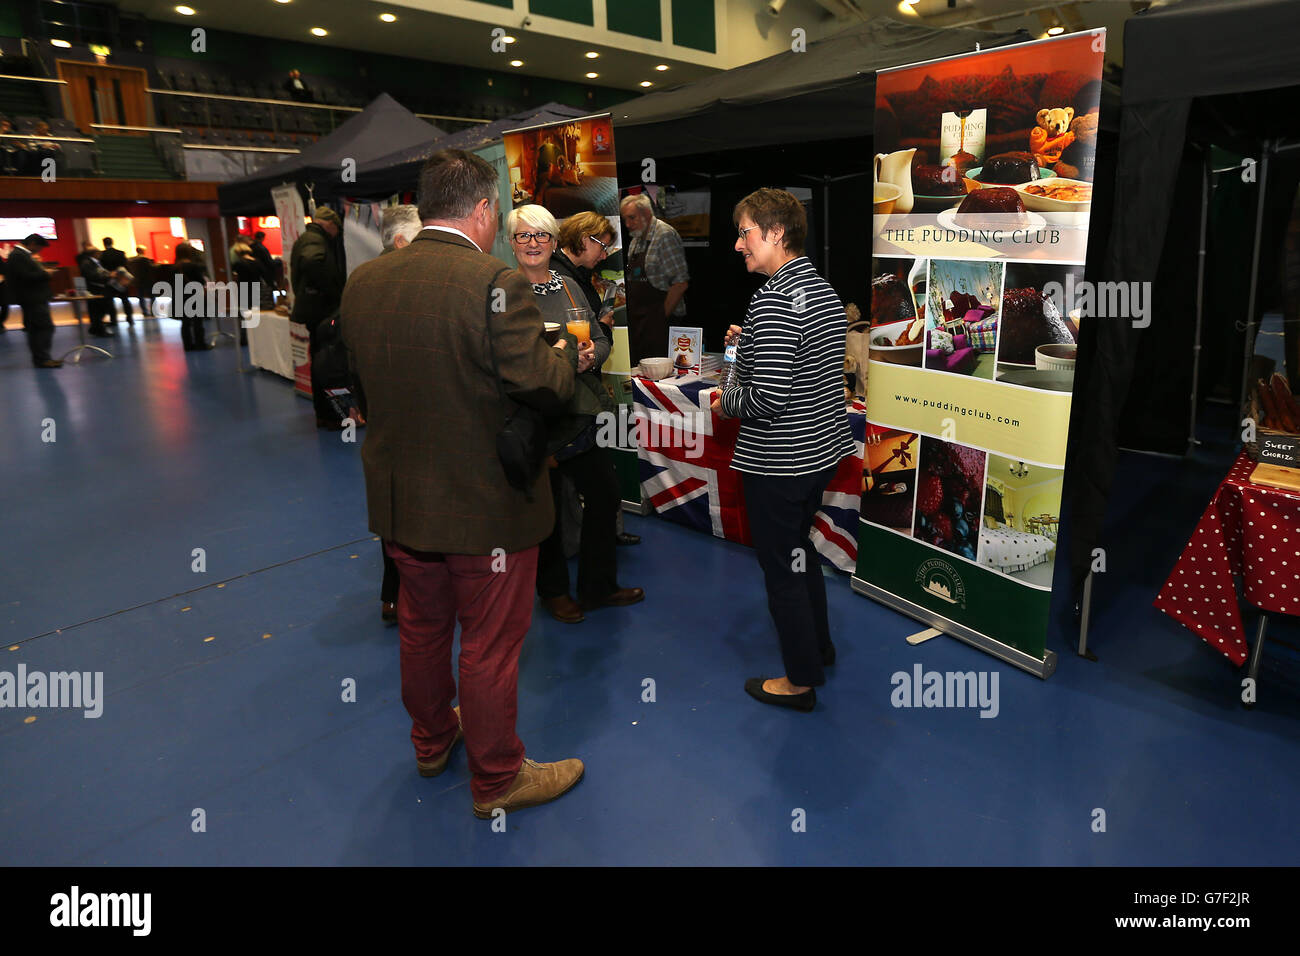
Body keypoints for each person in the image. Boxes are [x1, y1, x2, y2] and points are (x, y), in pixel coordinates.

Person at [340, 148, 585, 818]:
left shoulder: (364, 282)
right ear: (484, 210)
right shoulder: (495, 283)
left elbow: (360, 387)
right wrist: (564, 359)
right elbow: (539, 384)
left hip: (401, 501)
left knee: (422, 629)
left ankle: (431, 740)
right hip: (487, 507)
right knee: (489, 644)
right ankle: (499, 777)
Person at [711, 188, 855, 713]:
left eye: (745, 231)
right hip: (818, 454)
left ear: (775, 233)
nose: (737, 244)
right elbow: (800, 365)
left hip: (779, 460)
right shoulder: (817, 289)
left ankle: (799, 680)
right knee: (801, 552)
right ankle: (819, 647)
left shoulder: (774, 298)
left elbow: (765, 398)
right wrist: (749, 342)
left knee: (782, 569)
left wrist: (723, 402)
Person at [509, 204, 643, 624]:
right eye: (523, 236)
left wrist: (589, 358)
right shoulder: (503, 291)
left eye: (541, 236)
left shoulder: (567, 286)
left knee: (603, 496)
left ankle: (598, 587)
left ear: (553, 241)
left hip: (577, 412)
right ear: (512, 243)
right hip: (533, 416)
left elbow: (600, 337)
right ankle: (553, 593)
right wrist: (564, 360)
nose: (533, 244)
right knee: (545, 509)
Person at [553, 211, 640, 546]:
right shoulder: (562, 279)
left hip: (582, 386)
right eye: (602, 246)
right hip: (574, 392)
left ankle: (596, 536)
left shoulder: (576, 274)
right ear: (584, 239)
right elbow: (578, 340)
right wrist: (602, 329)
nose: (605, 255)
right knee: (583, 474)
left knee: (589, 473)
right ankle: (584, 543)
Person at [373, 203, 423, 624]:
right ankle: (409, 593)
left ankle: (394, 594)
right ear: (403, 240)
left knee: (394, 504)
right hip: (413, 410)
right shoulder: (404, 282)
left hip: (386, 415)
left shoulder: (366, 279)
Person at [289, 206, 347, 428]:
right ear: (330, 225)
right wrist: (332, 291)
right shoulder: (315, 240)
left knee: (320, 361)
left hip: (314, 311)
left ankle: (326, 413)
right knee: (329, 363)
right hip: (323, 312)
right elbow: (313, 262)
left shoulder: (306, 238)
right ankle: (333, 415)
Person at [620, 192, 689, 364]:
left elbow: (680, 283)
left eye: (632, 218)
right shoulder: (636, 238)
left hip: (661, 323)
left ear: (647, 214)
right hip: (640, 321)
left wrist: (659, 319)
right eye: (625, 219)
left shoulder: (664, 235)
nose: (627, 224)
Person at [6, 234, 60, 367]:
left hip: (32, 298)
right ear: (32, 243)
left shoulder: (20, 255)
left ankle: (42, 358)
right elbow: (25, 277)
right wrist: (46, 273)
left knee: (37, 329)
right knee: (43, 328)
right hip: (33, 298)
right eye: (39, 247)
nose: (39, 251)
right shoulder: (18, 255)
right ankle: (43, 359)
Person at [172, 242, 212, 351]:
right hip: (195, 296)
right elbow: (201, 281)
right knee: (197, 322)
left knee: (185, 323)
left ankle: (187, 345)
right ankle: (200, 344)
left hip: (180, 296)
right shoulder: (193, 266)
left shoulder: (174, 267)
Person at [77, 243, 113, 337]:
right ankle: (97, 329)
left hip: (100, 288)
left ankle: (96, 328)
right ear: (95, 253)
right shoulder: (87, 263)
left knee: (101, 309)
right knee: (97, 310)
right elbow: (91, 275)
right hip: (95, 289)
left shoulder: (95, 262)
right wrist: (108, 275)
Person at [99, 237, 132, 324]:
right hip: (121, 279)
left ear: (104, 243)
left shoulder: (102, 255)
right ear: (112, 242)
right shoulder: (120, 253)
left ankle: (114, 319)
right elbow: (126, 266)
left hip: (109, 279)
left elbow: (101, 268)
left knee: (110, 301)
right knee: (125, 299)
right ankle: (129, 318)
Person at [128, 246, 155, 316]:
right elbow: (150, 270)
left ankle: (144, 311)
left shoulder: (131, 260)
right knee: (152, 296)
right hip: (147, 280)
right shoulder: (145, 259)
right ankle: (153, 311)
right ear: (143, 251)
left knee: (140, 297)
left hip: (137, 281)